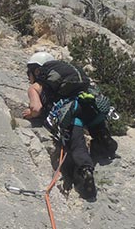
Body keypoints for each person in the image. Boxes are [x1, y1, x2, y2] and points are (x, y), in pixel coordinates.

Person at [21, 52, 117, 199]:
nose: (28, 77)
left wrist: (31, 113)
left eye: (29, 72)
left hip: (72, 112)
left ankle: (84, 171)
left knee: (77, 142)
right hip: (88, 103)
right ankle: (103, 138)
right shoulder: (67, 78)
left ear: (37, 70)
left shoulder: (37, 86)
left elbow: (36, 109)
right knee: (93, 122)